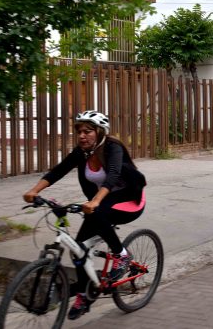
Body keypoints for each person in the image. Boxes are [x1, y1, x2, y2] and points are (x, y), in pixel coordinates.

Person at [22, 110, 146, 320]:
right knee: (77, 248)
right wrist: (34, 191)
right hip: (100, 202)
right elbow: (58, 171)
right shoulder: (82, 153)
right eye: (79, 131)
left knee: (98, 212)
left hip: (129, 200)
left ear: (99, 132)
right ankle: (84, 295)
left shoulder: (112, 147)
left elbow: (114, 174)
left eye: (87, 131)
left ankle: (122, 255)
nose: (82, 135)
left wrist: (96, 201)